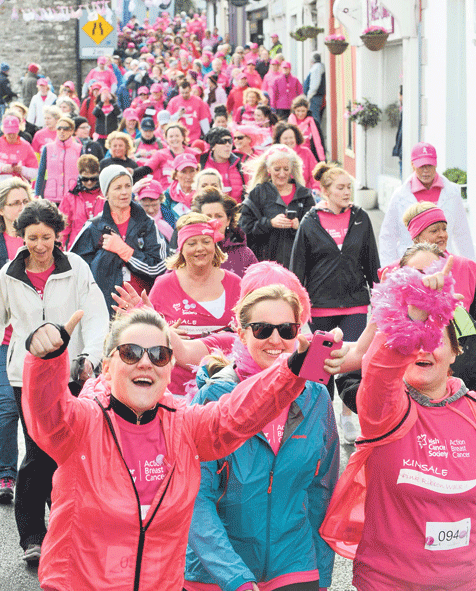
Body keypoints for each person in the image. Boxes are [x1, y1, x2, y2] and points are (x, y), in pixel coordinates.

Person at [20, 296, 336, 591]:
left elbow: (238, 414)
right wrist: (47, 361)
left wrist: (291, 370)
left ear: (170, 367)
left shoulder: (185, 426)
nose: (146, 363)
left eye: (159, 354)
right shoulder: (80, 425)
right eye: (131, 352)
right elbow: (46, 415)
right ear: (107, 365)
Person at [320, 257, 476, 591]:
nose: (424, 349)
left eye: (435, 340)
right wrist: (413, 317)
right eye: (415, 342)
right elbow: (378, 370)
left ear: (454, 352)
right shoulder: (386, 410)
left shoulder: (472, 411)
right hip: (389, 581)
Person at [184, 266, 339, 591]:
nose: (275, 339)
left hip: (295, 567)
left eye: (286, 329)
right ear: (240, 332)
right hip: (217, 575)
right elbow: (197, 500)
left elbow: (321, 492)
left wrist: (321, 577)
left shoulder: (317, 397)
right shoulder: (212, 397)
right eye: (262, 329)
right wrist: (235, 579)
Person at [0, 199, 109, 564]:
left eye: (46, 237)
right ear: (22, 237)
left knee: (67, 452)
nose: (40, 245)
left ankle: (69, 528)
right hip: (25, 376)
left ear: (57, 235)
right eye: (32, 238)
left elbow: (95, 315)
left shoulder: (76, 267)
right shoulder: (8, 275)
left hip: (72, 372)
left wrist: (91, 357)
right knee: (37, 450)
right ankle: (33, 536)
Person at [289, 162, 380, 440]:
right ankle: (324, 420)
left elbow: (372, 261)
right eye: (340, 187)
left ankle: (348, 415)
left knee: (352, 363)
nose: (346, 192)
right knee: (321, 368)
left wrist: (381, 297)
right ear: (324, 191)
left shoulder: (361, 217)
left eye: (349, 187)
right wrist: (296, 308)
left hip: (355, 303)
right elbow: (297, 268)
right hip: (320, 304)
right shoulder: (310, 221)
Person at [148, 212, 242, 394]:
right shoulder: (163, 285)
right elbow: (147, 335)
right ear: (181, 249)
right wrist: (165, 335)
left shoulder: (236, 284)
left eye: (206, 242)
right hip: (175, 388)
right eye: (192, 243)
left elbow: (249, 334)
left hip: (224, 387)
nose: (200, 248)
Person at [71, 165, 167, 316]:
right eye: (117, 187)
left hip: (142, 309)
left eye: (127, 186)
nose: (124, 192)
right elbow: (75, 269)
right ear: (105, 193)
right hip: (104, 310)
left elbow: (159, 268)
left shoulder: (147, 224)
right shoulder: (93, 227)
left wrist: (125, 251)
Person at [379, 142, 475, 266]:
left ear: (436, 164)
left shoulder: (452, 193)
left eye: (429, 165)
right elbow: (388, 236)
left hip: (444, 263)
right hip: (411, 265)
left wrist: (472, 268)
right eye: (421, 166)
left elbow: (462, 234)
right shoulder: (399, 196)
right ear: (412, 165)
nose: (426, 170)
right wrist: (388, 270)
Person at [0, 178, 33, 504]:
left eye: (25, 201)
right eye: (14, 202)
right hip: (4, 341)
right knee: (7, 407)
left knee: (34, 411)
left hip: (35, 341)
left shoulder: (40, 242)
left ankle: (38, 474)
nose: (20, 208)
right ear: (2, 209)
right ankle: (6, 474)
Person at [240, 144, 315, 267]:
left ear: (291, 169)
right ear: (268, 169)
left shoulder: (304, 195)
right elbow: (245, 227)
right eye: (277, 169)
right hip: (265, 263)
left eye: (286, 169)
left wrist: (300, 225)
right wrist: (270, 223)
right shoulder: (258, 194)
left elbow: (316, 230)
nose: (282, 174)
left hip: (297, 263)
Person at [192, 186, 257, 276]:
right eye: (208, 216)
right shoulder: (188, 250)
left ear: (228, 220)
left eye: (219, 216)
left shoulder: (245, 255)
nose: (213, 221)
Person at [59, 154, 105, 250]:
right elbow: (63, 227)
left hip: (101, 246)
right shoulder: (70, 196)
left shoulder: (105, 194)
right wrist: (59, 250)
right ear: (79, 176)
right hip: (78, 245)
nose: (89, 182)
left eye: (93, 179)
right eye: (85, 179)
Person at [35, 116, 81, 204]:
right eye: (59, 128)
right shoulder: (48, 148)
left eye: (66, 129)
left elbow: (82, 174)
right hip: (51, 196)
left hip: (72, 196)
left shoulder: (79, 149)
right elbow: (41, 173)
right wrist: (37, 194)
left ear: (71, 131)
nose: (62, 131)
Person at [199, 128, 246, 203]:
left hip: (236, 210)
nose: (227, 145)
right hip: (210, 211)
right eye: (222, 142)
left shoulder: (240, 163)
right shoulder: (201, 163)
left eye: (230, 141)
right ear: (213, 146)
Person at [273, 122, 319, 190]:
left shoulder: (306, 152)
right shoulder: (274, 155)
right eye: (285, 138)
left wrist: (316, 189)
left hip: (305, 192)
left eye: (291, 137)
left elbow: (316, 173)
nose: (289, 141)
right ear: (279, 140)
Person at [132, 176, 174, 243]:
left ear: (160, 201)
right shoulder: (133, 219)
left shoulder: (169, 218)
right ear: (139, 202)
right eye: (146, 206)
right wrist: (132, 192)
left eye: (154, 205)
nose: (151, 210)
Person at [162, 153, 200, 223]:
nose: (188, 177)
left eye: (192, 171)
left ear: (197, 172)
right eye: (183, 172)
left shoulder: (203, 193)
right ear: (175, 175)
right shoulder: (167, 195)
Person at [0, 115, 38, 183]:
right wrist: (2, 168)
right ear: (3, 131)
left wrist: (21, 169)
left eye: (14, 133)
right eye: (9, 133)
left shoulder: (25, 146)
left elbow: (34, 172)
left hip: (18, 185)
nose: (11, 136)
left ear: (18, 130)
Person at [288, 95, 326, 163]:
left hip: (310, 156)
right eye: (298, 111)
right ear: (294, 110)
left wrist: (322, 159)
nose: (300, 114)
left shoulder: (313, 122)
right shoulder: (289, 123)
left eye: (303, 111)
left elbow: (320, 141)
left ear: (307, 110)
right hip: (294, 156)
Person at [91, 87, 122, 154]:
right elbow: (95, 113)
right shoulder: (98, 106)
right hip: (100, 137)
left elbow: (118, 113)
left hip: (112, 136)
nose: (105, 96)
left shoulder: (113, 106)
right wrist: (101, 102)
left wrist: (111, 100)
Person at [304, 53, 326, 125]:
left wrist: (309, 96)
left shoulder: (316, 68)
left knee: (314, 117)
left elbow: (314, 84)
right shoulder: (319, 67)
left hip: (315, 97)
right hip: (316, 96)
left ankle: (316, 133)